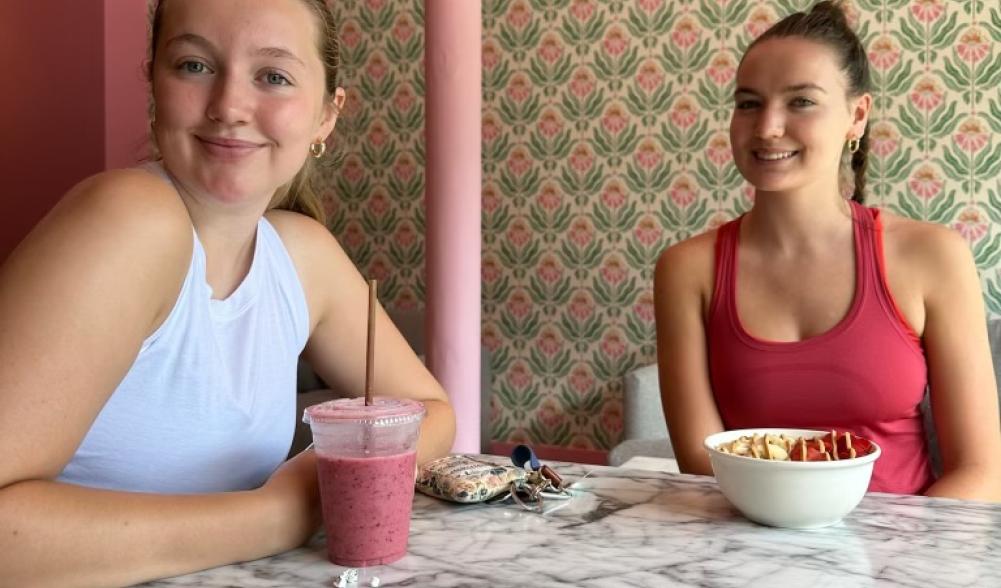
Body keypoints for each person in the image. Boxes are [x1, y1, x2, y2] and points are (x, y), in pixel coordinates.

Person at [0, 0, 456, 585]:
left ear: (326, 115)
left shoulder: (300, 253)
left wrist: (342, 473)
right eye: (194, 66)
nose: (229, 107)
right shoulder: (128, 219)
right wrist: (281, 512)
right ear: (154, 82)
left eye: (273, 76)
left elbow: (432, 413)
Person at [654, 1, 1001, 501]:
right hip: (743, 552)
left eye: (801, 102)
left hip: (902, 559)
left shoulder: (933, 256)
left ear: (856, 115)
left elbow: (980, 470)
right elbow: (702, 463)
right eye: (748, 103)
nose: (768, 126)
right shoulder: (686, 269)